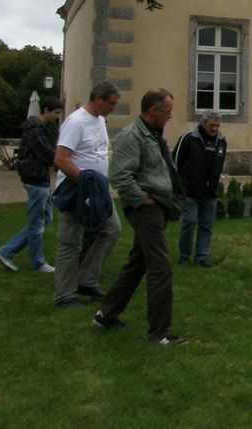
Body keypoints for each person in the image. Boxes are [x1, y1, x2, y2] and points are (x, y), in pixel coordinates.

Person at [94, 89, 186, 344]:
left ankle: (106, 313)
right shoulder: (131, 136)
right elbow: (120, 175)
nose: (170, 117)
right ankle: (160, 332)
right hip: (146, 209)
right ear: (153, 111)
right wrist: (143, 200)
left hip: (156, 206)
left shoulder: (154, 135)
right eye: (167, 112)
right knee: (161, 268)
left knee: (138, 262)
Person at [53, 81, 123, 308]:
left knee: (112, 230)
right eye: (111, 103)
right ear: (98, 98)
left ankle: (86, 280)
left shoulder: (100, 119)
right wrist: (85, 182)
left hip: (97, 190)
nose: (113, 108)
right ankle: (64, 295)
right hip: (77, 190)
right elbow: (61, 159)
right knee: (70, 242)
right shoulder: (75, 122)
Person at [0, 96, 64, 272]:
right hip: (36, 181)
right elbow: (48, 155)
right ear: (46, 110)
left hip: (41, 180)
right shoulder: (35, 131)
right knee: (37, 223)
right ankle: (36, 262)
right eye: (56, 113)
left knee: (45, 219)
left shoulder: (40, 129)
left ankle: (7, 250)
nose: (57, 117)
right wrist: (64, 159)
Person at [173, 111, 227, 268]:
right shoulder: (189, 138)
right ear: (203, 124)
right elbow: (175, 162)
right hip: (190, 191)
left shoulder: (221, 141)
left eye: (217, 125)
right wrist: (179, 186)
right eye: (212, 125)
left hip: (210, 192)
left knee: (206, 226)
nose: (215, 128)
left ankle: (201, 257)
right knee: (189, 222)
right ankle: (184, 255)